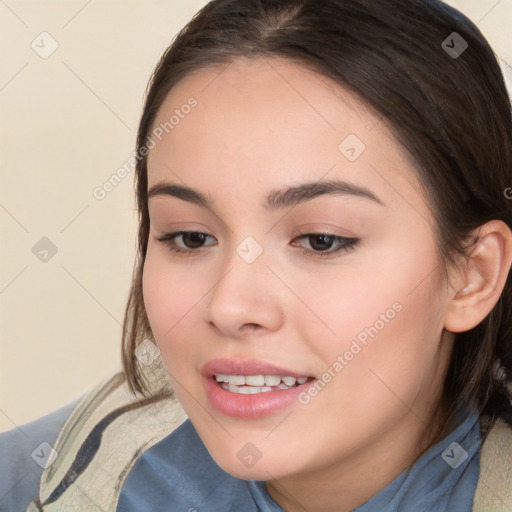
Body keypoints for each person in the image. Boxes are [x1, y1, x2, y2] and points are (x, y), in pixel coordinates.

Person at [2, 0, 512, 510]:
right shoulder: (58, 475)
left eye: (321, 240)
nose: (230, 306)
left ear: (473, 275)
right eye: (190, 237)